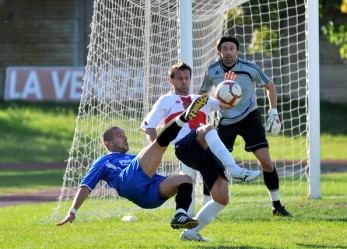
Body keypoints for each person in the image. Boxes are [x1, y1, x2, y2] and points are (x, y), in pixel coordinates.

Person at [140, 61, 261, 242]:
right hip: (184, 146)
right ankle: (235, 170)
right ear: (171, 81)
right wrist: (156, 148)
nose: (184, 81)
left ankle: (190, 233)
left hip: (204, 149)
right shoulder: (166, 100)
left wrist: (229, 86)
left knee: (221, 197)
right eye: (179, 78)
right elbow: (149, 126)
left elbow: (226, 104)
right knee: (207, 128)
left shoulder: (200, 99)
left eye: (187, 78)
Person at [56, 95, 210, 230]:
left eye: (124, 134)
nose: (125, 137)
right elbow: (86, 185)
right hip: (129, 181)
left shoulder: (132, 157)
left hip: (149, 197)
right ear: (108, 143)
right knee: (159, 143)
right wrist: (73, 211)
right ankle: (185, 116)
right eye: (118, 135)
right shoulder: (104, 160)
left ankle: (180, 215)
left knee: (185, 179)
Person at [199, 35, 293, 217]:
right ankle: (204, 207)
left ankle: (277, 206)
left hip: (250, 118)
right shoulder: (212, 71)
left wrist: (273, 112)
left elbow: (269, 86)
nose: (228, 52)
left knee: (266, 161)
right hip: (224, 121)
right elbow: (202, 94)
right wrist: (203, 114)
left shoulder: (250, 68)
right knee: (213, 163)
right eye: (224, 49)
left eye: (231, 48)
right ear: (219, 51)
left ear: (237, 50)